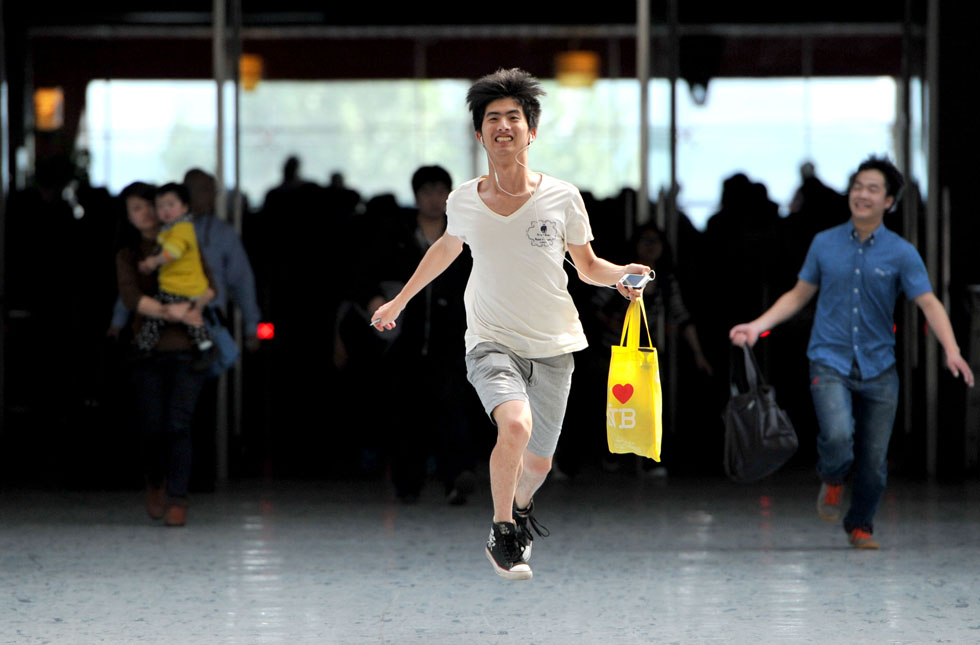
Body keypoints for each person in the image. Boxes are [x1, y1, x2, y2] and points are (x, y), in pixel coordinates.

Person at [371, 68, 650, 580]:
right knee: (514, 424)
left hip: (553, 343)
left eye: (513, 118)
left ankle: (520, 505)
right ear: (479, 134)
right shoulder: (464, 200)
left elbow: (588, 267)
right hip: (490, 340)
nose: (503, 126)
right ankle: (503, 533)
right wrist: (400, 302)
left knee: (539, 463)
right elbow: (445, 249)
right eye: (492, 118)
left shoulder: (562, 197)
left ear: (531, 132)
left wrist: (623, 276)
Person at [729, 156, 974, 549]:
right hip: (829, 359)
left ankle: (860, 524)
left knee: (874, 462)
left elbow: (928, 302)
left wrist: (952, 350)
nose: (862, 194)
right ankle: (832, 476)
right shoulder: (824, 243)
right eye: (858, 186)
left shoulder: (901, 253)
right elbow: (799, 294)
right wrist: (757, 327)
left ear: (889, 201)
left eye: (873, 189)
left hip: (880, 367)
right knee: (839, 436)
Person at [369, 165, 476, 504]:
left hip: (453, 337)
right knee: (406, 411)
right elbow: (368, 273)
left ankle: (455, 478)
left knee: (453, 408)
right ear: (416, 197)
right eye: (427, 192)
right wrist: (376, 300)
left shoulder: (463, 235)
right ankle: (407, 483)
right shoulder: (396, 235)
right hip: (405, 340)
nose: (434, 199)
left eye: (441, 191)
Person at [115, 181, 216, 527]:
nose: (144, 215)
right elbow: (132, 299)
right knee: (153, 426)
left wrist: (191, 306)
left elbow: (210, 287)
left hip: (186, 350)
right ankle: (155, 482)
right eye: (134, 210)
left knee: (179, 424)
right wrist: (170, 311)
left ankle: (178, 497)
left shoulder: (182, 240)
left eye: (147, 206)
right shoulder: (129, 253)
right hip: (149, 350)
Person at [134, 182, 213, 355]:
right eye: (161, 206)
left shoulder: (181, 230)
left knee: (155, 319)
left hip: (181, 287)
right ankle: (205, 347)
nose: (165, 210)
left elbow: (173, 253)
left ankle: (144, 346)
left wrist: (153, 262)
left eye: (171, 204)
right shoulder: (172, 230)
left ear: (184, 208)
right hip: (185, 286)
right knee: (193, 320)